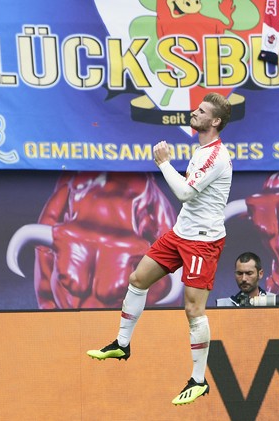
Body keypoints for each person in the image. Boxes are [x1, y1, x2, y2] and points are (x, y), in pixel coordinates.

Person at [87, 92, 233, 406]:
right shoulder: (202, 149)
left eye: (202, 110)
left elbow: (184, 192)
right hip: (180, 233)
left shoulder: (216, 155)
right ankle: (122, 344)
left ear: (216, 121)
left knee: (193, 310)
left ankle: (198, 380)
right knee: (138, 280)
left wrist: (164, 163)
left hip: (202, 241)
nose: (194, 112)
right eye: (196, 108)